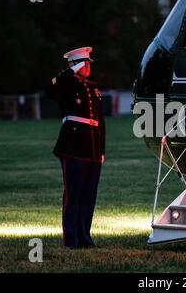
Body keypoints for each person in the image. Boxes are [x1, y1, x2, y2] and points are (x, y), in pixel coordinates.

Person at [45, 46, 106, 249]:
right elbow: (50, 91)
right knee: (74, 194)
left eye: (89, 63)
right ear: (75, 65)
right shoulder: (67, 85)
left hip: (93, 148)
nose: (87, 66)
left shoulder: (93, 87)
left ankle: (84, 237)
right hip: (73, 146)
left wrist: (102, 150)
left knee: (89, 195)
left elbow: (100, 121)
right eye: (84, 63)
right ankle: (71, 240)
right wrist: (70, 70)